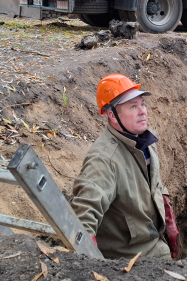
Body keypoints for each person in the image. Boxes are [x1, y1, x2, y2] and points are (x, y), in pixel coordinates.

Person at [69, 74, 180, 259]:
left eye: (142, 104)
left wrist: (169, 222)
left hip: (155, 245)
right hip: (130, 260)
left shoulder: (145, 140)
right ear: (112, 115)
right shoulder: (104, 159)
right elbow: (84, 215)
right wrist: (92, 264)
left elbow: (156, 186)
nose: (143, 111)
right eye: (133, 107)